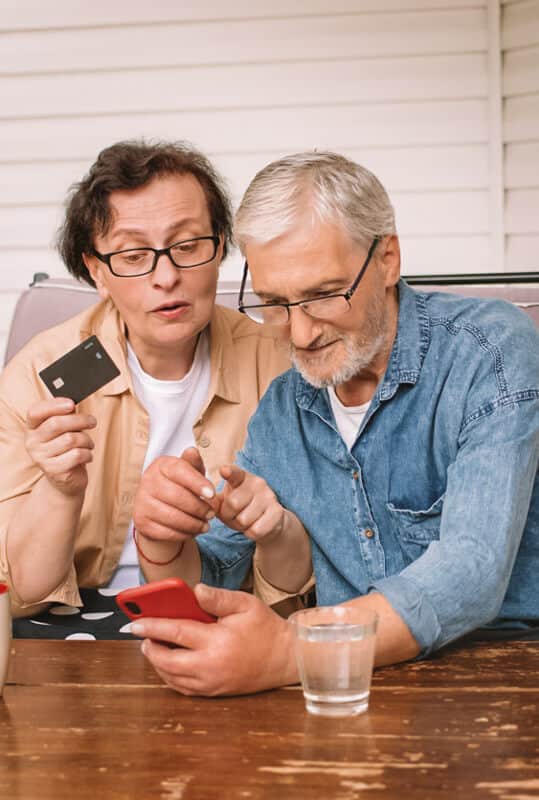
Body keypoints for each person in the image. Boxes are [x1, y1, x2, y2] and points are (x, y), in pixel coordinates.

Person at [132, 151, 539, 697]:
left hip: (505, 672)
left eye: (323, 294)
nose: (299, 335)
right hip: (347, 687)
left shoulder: (491, 351)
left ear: (388, 259)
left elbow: (473, 572)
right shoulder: (284, 407)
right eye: (274, 303)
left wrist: (290, 650)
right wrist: (162, 536)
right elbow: (216, 578)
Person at [0, 140, 288, 634]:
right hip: (77, 621)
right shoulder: (40, 372)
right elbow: (22, 596)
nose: (167, 276)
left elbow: (302, 580)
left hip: (226, 612)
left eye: (188, 246)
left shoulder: (276, 363)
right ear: (97, 272)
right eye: (134, 255)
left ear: (220, 247)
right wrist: (60, 488)